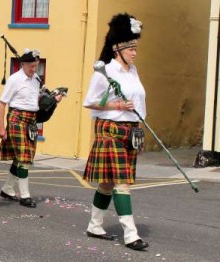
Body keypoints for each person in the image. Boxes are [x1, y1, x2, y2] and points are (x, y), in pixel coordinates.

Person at [82, 13, 149, 251]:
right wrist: (117, 105)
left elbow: (139, 104)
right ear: (118, 48)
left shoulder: (133, 72)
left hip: (130, 131)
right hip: (111, 130)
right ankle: (131, 234)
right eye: (131, 48)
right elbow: (90, 102)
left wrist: (138, 134)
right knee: (122, 183)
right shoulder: (105, 72)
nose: (134, 52)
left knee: (108, 183)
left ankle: (94, 225)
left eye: (135, 48)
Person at [0, 48, 63, 208]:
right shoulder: (14, 80)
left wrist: (53, 100)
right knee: (25, 158)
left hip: (31, 120)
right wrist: (1, 128)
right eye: (32, 66)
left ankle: (7, 189)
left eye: (36, 66)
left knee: (20, 158)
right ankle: (25, 196)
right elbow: (2, 104)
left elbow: (37, 100)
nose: (34, 69)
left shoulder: (36, 79)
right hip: (17, 119)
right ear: (23, 64)